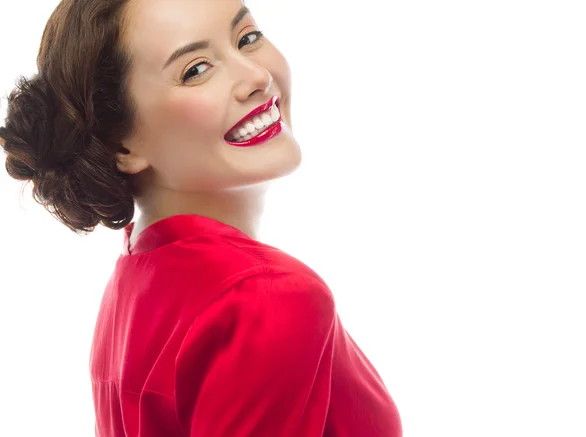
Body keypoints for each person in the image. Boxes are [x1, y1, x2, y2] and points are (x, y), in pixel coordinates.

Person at [0, 0, 402, 435]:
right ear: (122, 145)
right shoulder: (266, 297)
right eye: (195, 69)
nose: (257, 77)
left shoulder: (137, 276)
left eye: (247, 38)